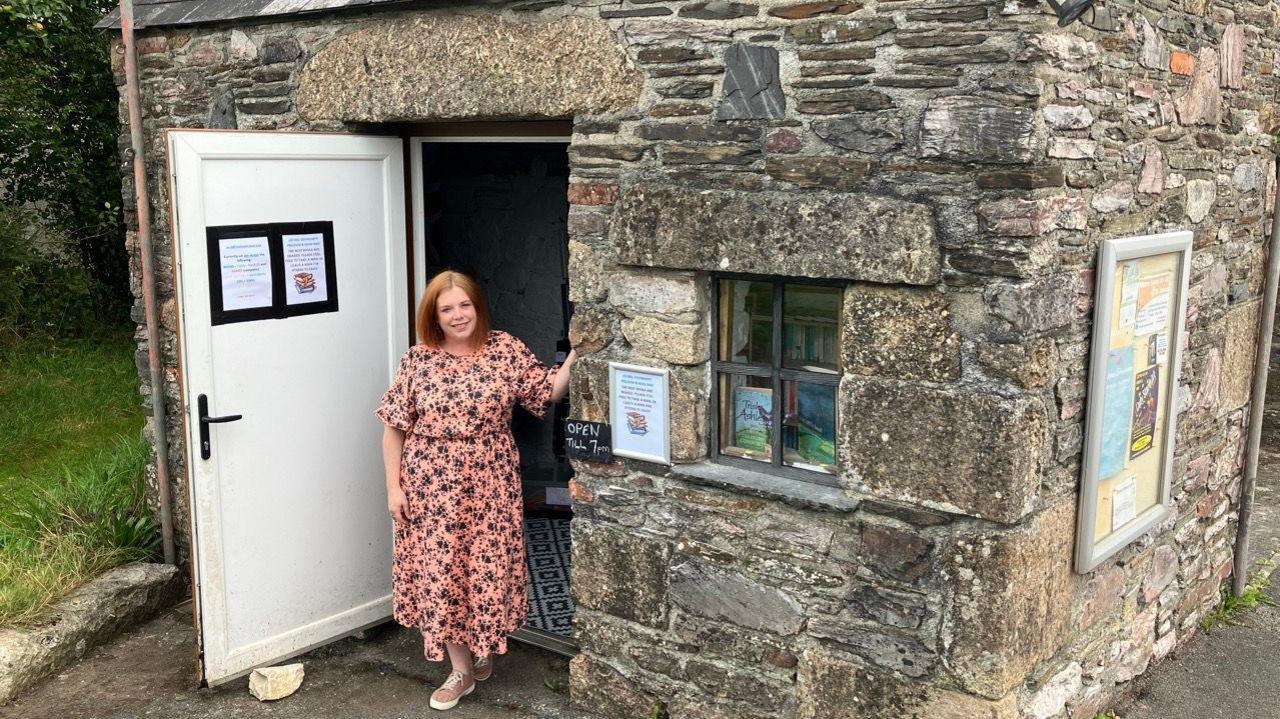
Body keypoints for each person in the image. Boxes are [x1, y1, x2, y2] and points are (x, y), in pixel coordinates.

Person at [375, 269, 576, 711]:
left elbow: (547, 391)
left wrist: (579, 350)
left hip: (491, 482)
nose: (457, 315)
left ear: (477, 306)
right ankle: (460, 671)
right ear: (434, 315)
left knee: (484, 568)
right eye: (446, 308)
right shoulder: (419, 359)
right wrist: (394, 489)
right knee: (443, 571)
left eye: (464, 304)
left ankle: (481, 644)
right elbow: (393, 429)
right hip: (432, 486)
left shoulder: (504, 348)